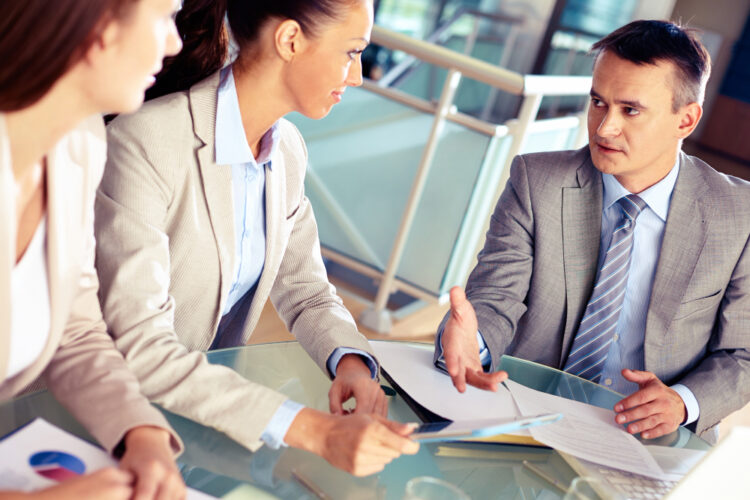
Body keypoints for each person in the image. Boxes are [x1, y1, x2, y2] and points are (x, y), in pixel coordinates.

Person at [94, 0, 418, 476]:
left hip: (210, 422)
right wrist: (311, 428)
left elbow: (305, 289)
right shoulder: (146, 143)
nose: (357, 77)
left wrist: (350, 361)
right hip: (118, 424)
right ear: (289, 40)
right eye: (351, 52)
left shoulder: (285, 149)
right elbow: (141, 345)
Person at [435, 20, 750, 443]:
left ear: (686, 120)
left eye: (630, 110)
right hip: (524, 413)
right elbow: (494, 299)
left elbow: (742, 353)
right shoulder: (536, 181)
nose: (604, 128)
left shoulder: (739, 215)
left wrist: (682, 402)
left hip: (655, 438)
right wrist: (474, 341)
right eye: (598, 102)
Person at [0, 0, 187, 499]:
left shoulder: (79, 143)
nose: (176, 43)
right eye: (165, 16)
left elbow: (75, 331)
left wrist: (140, 434)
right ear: (99, 25)